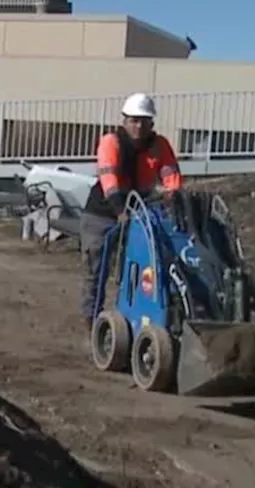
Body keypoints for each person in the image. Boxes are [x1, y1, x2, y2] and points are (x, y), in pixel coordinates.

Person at [79, 93, 183, 331]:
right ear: (124, 121)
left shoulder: (159, 146)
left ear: (152, 124)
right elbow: (109, 181)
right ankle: (92, 322)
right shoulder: (111, 142)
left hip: (139, 215)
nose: (139, 126)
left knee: (141, 269)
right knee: (96, 269)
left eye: (144, 121)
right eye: (134, 120)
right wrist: (120, 211)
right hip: (102, 214)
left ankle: (132, 320)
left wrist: (173, 198)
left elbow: (171, 177)